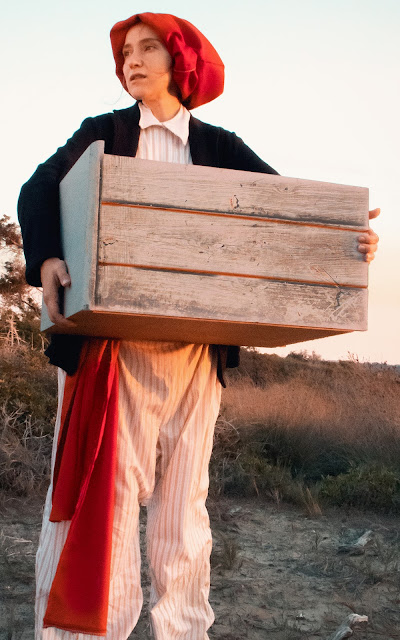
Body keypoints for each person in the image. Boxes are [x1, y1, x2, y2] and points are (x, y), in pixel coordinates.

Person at [18, 12, 380, 640]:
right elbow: (38, 186)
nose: (131, 60)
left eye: (147, 47)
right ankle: (91, 632)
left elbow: (283, 208)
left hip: (192, 353)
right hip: (113, 351)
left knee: (183, 509)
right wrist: (49, 254)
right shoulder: (101, 133)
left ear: (178, 58)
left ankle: (182, 631)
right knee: (105, 506)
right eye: (124, 51)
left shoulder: (219, 147)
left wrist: (346, 234)